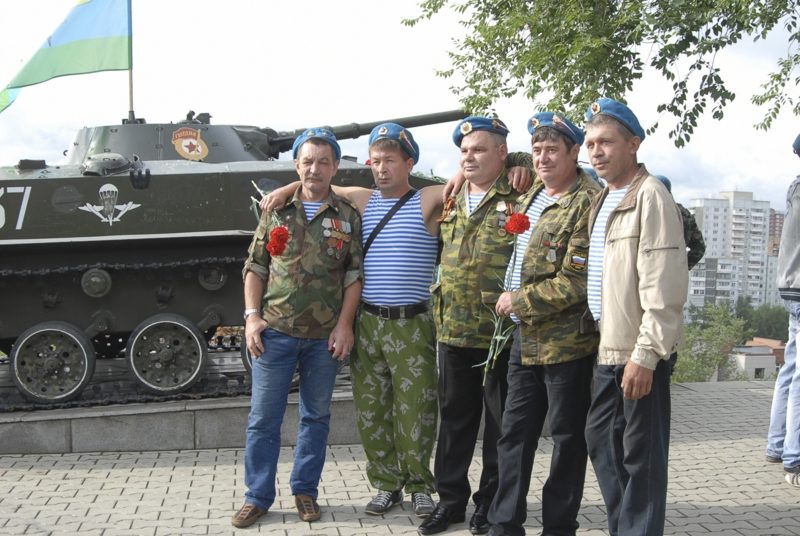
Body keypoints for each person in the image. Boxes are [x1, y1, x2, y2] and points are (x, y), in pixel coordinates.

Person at [259, 124, 531, 519]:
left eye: (390, 160)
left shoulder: (429, 199)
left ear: (409, 163)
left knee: (417, 409)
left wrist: (518, 162)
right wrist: (285, 189)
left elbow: (476, 169)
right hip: (368, 322)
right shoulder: (362, 199)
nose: (381, 168)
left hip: (412, 323)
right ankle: (386, 484)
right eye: (375, 161)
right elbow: (317, 185)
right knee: (372, 411)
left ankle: (420, 485)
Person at [232, 128, 363, 528]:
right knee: (263, 420)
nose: (314, 169)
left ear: (335, 167)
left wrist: (345, 325)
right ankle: (257, 496)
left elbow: (353, 275)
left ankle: (305, 491)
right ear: (296, 165)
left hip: (324, 338)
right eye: (307, 161)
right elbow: (256, 266)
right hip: (275, 333)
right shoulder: (276, 211)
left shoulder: (346, 216)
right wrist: (252, 316)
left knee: (316, 417)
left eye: (323, 162)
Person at [485, 112, 600, 536]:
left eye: (553, 149)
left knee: (567, 439)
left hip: (566, 344)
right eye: (537, 150)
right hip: (525, 339)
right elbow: (498, 158)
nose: (543, 158)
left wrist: (518, 300)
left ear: (575, 152)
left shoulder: (588, 202)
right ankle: (504, 524)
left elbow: (576, 281)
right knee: (514, 435)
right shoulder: (533, 190)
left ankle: (559, 526)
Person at [582, 98, 688, 536]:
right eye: (590, 144)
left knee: (640, 459)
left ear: (633, 144)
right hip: (608, 347)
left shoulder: (651, 196)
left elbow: (664, 284)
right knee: (602, 441)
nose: (596, 151)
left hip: (637, 351)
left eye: (606, 142)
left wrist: (646, 355)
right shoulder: (604, 196)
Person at [419, 116, 518, 536]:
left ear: (502, 153)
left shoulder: (520, 193)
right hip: (454, 330)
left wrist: (522, 161)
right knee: (454, 421)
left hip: (499, 334)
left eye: (479, 149)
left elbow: (566, 167)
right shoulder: (451, 195)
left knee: (500, 425)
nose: (469, 157)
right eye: (463, 151)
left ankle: (489, 503)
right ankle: (450, 502)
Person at [766, 133, 800, 488]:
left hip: (792, 286)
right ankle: (795, 456)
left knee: (791, 369)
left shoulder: (795, 188)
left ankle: (778, 445)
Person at [654, 174, 706, 376]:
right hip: (673, 280)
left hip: (650, 278)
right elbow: (699, 247)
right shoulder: (682, 212)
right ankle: (667, 369)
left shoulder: (651, 211)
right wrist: (682, 268)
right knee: (671, 323)